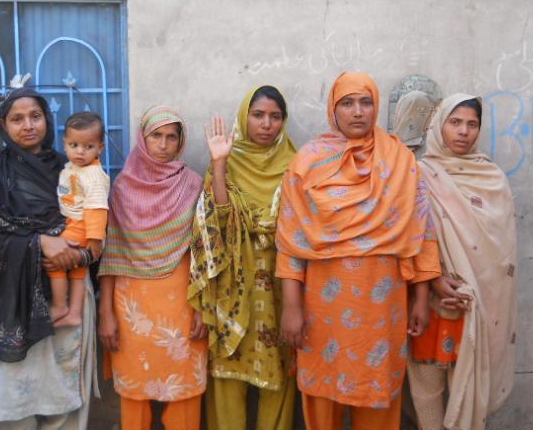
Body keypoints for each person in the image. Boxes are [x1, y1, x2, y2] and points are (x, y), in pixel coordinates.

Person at [276, 72, 441, 430]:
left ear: (376, 107)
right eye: (347, 103)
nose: (357, 111)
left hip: (382, 310)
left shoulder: (399, 160)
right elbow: (290, 240)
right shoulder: (307, 163)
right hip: (322, 310)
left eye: (365, 102)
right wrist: (291, 306)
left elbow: (422, 231)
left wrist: (422, 297)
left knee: (377, 394)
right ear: (333, 109)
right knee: (323, 396)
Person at [0, 87, 98, 429]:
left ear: (47, 120)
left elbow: (97, 223)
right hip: (12, 302)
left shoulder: (72, 168)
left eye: (35, 116)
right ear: (2, 125)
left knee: (63, 398)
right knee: (13, 402)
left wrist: (76, 254)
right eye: (17, 119)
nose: (28, 125)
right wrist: (39, 242)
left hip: (68, 294)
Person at [188, 86, 297, 430]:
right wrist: (220, 164)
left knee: (278, 373)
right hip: (232, 283)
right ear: (244, 117)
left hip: (281, 284)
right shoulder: (226, 160)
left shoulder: (295, 164)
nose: (266, 124)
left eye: (275, 116)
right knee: (227, 371)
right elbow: (217, 222)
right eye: (258, 115)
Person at [407, 94, 517, 430]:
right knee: (427, 387)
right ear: (439, 125)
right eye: (455, 122)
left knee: (466, 383)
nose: (464, 131)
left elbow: (501, 254)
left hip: (476, 305)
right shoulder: (419, 174)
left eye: (472, 124)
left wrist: (472, 288)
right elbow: (410, 237)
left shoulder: (493, 179)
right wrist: (434, 281)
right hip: (428, 299)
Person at [98, 106, 207, 430]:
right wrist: (106, 313)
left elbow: (204, 252)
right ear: (142, 139)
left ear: (180, 142)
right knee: (135, 391)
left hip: (183, 303)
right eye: (156, 135)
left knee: (184, 390)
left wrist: (203, 308)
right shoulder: (123, 188)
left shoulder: (192, 185)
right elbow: (112, 253)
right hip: (133, 309)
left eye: (171, 137)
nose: (163, 144)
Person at [49, 112, 110, 327]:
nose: (80, 151)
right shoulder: (72, 167)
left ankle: (59, 306)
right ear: (64, 144)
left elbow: (97, 208)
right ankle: (75, 312)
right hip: (74, 223)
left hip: (80, 226)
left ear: (100, 148)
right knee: (77, 271)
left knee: (55, 261)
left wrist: (94, 240)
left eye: (88, 146)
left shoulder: (93, 175)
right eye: (73, 145)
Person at [391, 90, 437, 157]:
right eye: (422, 113)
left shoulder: (434, 147)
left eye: (429, 113)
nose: (429, 118)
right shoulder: (385, 149)